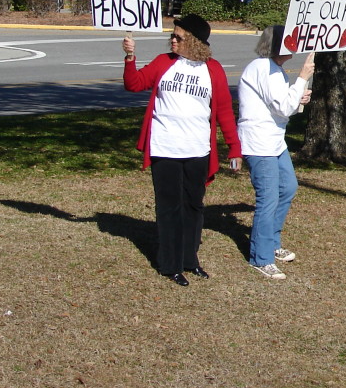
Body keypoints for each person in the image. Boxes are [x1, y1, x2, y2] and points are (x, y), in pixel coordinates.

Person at [122, 15, 242, 286]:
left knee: (193, 206)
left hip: (198, 149)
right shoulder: (164, 62)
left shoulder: (213, 70)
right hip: (165, 147)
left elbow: (223, 111)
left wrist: (234, 148)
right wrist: (130, 58)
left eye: (179, 37)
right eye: (172, 36)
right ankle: (170, 264)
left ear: (196, 42)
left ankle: (190, 259)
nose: (173, 40)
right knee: (169, 208)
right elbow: (135, 84)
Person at [238, 25, 314, 280]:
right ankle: (261, 257)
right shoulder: (262, 68)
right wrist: (302, 77)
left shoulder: (275, 70)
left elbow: (284, 104)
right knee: (268, 198)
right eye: (289, 42)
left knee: (288, 187)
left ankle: (271, 241)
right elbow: (283, 106)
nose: (294, 46)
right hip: (259, 143)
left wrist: (298, 97)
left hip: (275, 142)